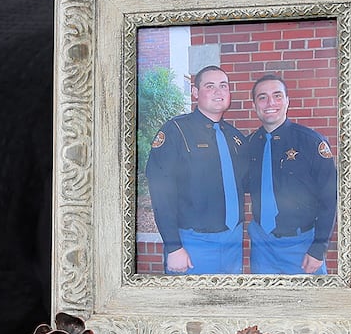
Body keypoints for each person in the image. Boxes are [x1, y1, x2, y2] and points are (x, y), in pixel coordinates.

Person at [144, 64, 250, 274]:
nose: (218, 92)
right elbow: (161, 193)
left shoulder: (236, 137)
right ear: (195, 93)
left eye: (223, 86)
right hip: (192, 243)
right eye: (210, 86)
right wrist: (174, 246)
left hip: (233, 241)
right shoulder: (175, 131)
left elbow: (246, 183)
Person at [242, 73, 337, 274]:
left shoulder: (312, 143)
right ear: (254, 105)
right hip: (262, 246)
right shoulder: (248, 145)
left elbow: (329, 200)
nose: (270, 102)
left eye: (277, 96)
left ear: (287, 101)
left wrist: (318, 248)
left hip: (302, 247)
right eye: (262, 97)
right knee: (266, 304)